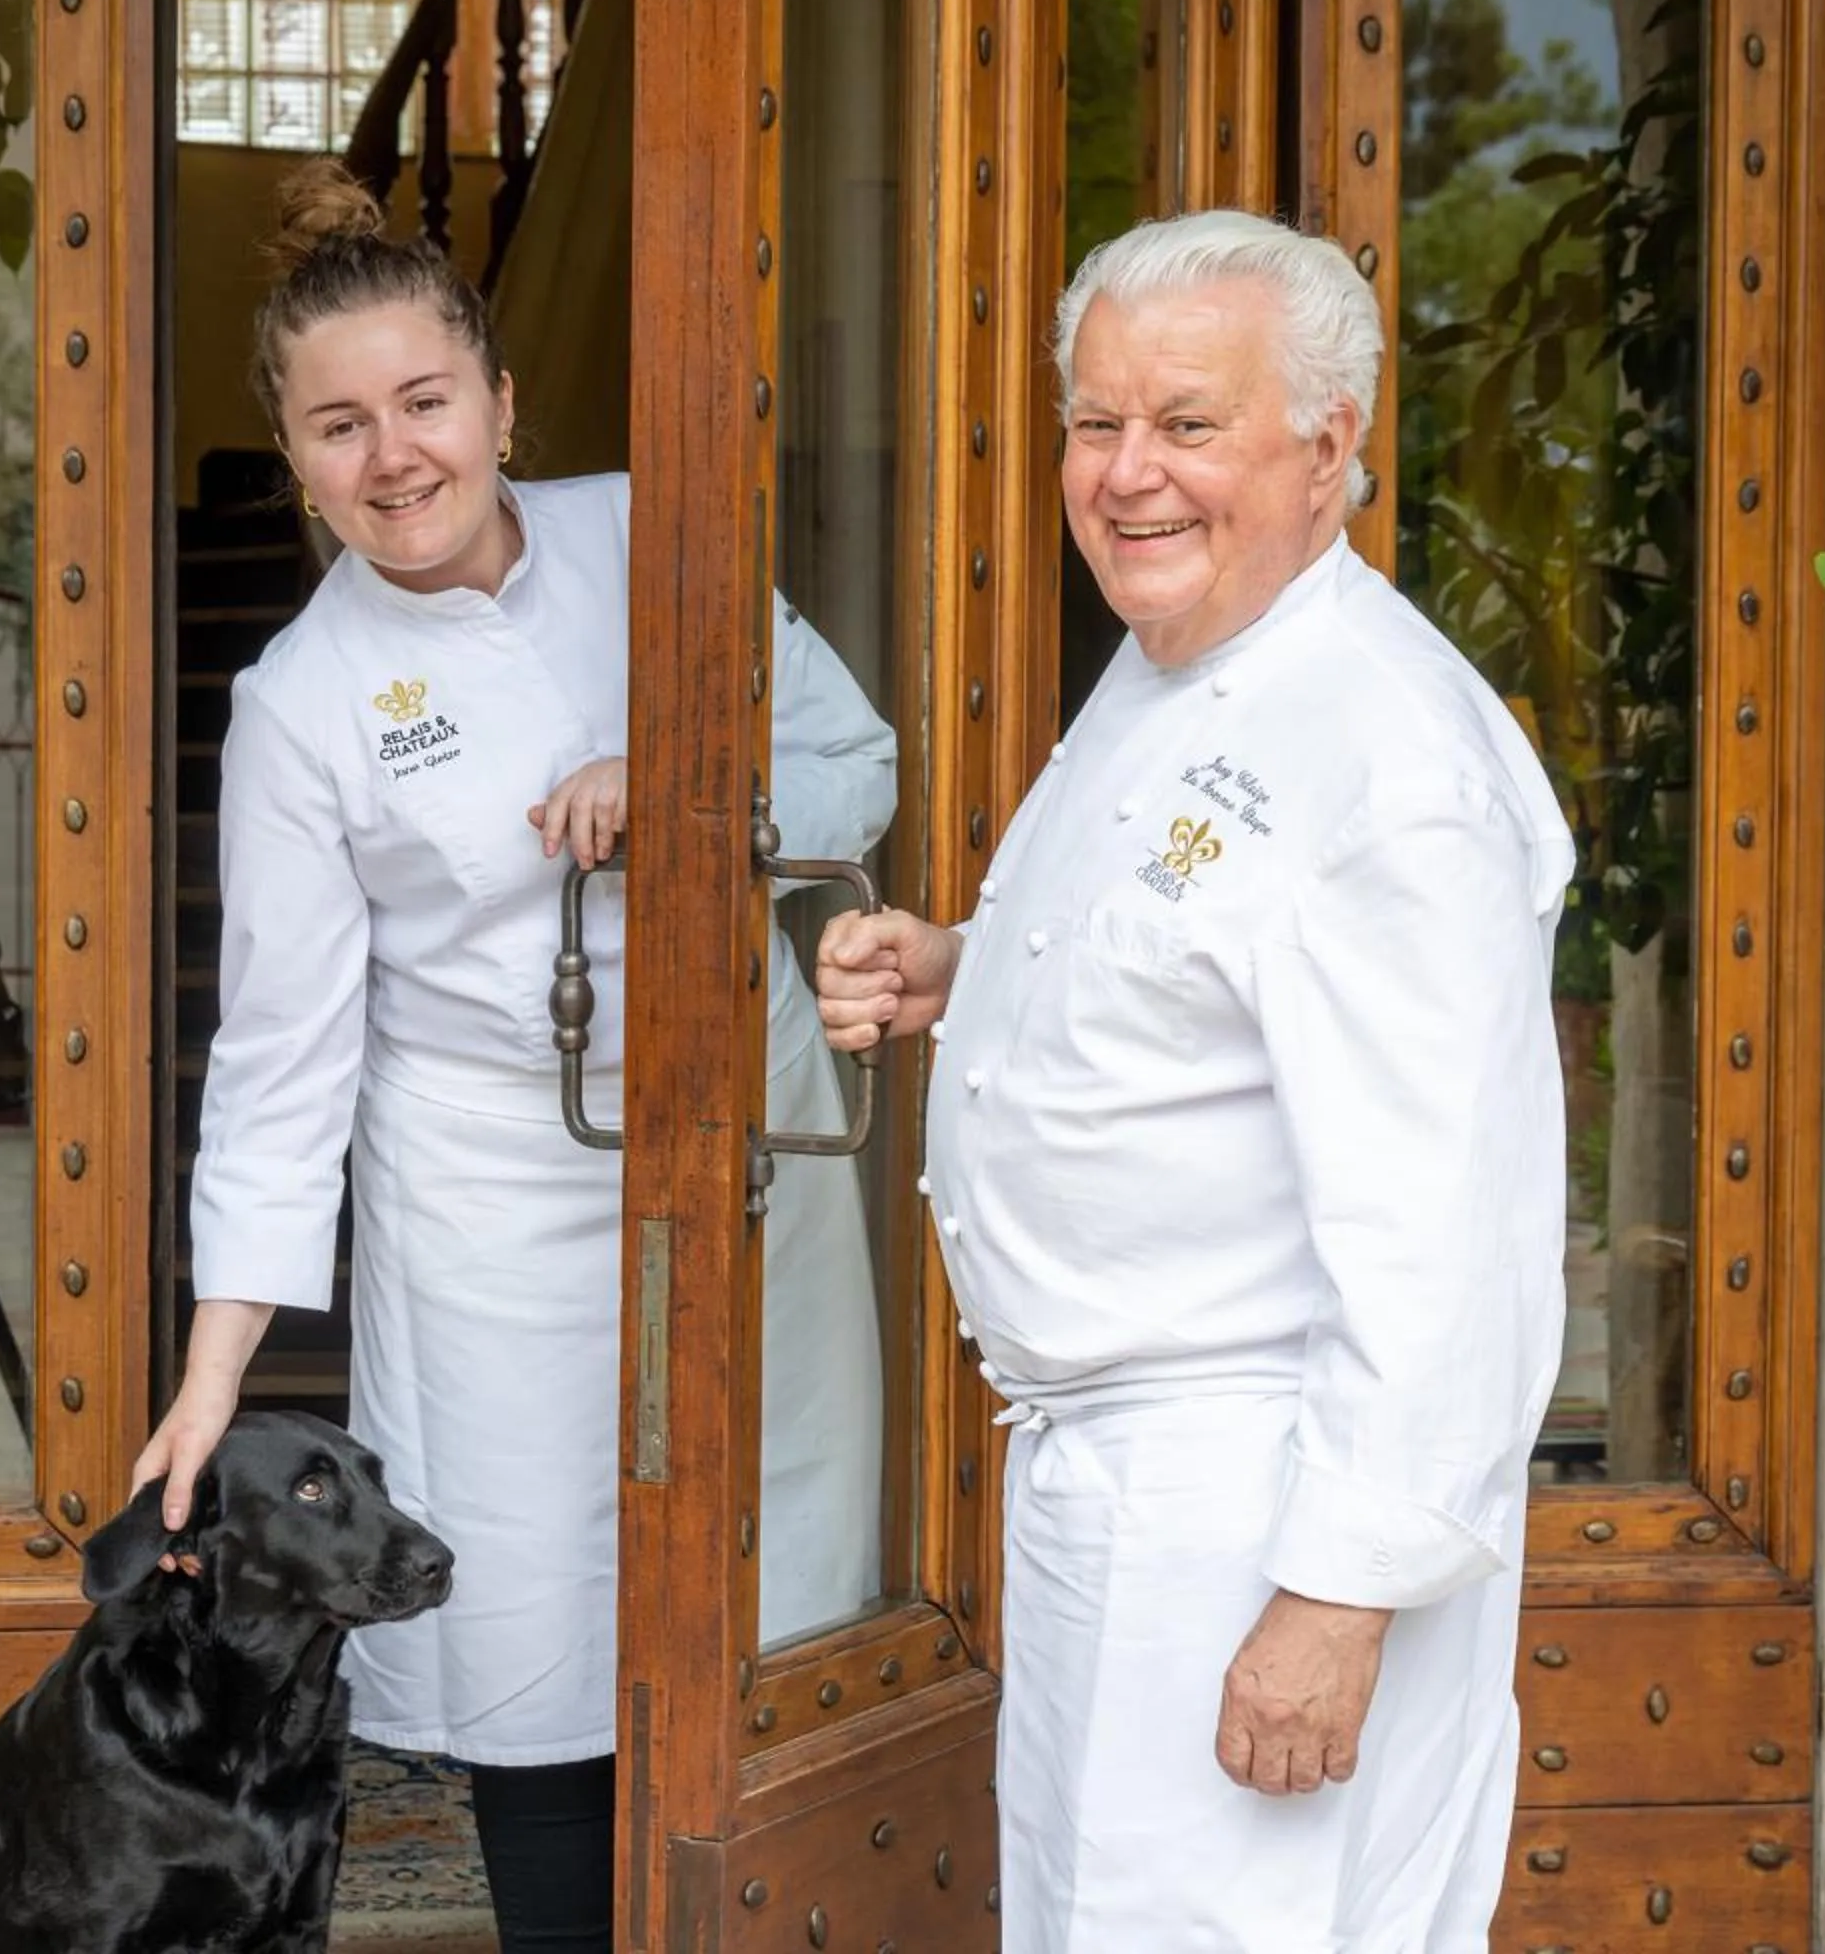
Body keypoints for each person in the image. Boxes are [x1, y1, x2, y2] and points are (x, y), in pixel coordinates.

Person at [140, 162, 893, 1953]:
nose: (392, 458)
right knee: (538, 1642)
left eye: (422, 403)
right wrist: (211, 1374)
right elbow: (282, 1060)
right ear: (295, 455)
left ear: (498, 401)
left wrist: (686, 773)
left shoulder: (657, 532)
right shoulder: (302, 703)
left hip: (748, 1147)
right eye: (339, 428)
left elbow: (855, 764)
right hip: (488, 1199)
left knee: (778, 1581)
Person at [815, 210, 1572, 1950]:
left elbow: (1449, 1231)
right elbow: (1197, 965)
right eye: (1096, 424)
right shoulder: (1190, 660)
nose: (1127, 474)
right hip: (1135, 1495)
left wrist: (1333, 1601)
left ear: (1329, 445)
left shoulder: (1384, 757)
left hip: (1263, 1506)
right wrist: (970, 973)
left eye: (1187, 424)